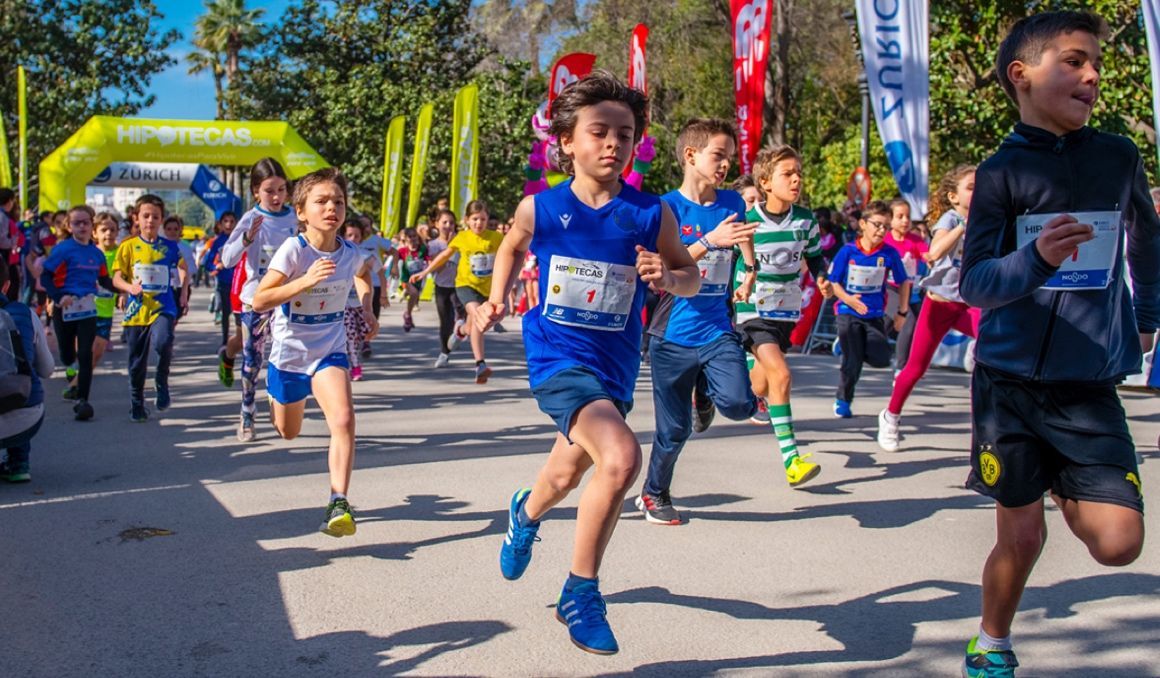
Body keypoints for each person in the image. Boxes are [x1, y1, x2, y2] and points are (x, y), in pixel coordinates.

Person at [955, 11, 1159, 677]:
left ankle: (1071, 481)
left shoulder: (1117, 156)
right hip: (1008, 385)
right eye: (1074, 60)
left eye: (1094, 62)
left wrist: (1149, 314)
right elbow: (978, 283)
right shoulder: (999, 172)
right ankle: (991, 645)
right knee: (1022, 533)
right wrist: (1036, 259)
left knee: (1119, 543)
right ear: (1022, 75)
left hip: (1086, 383)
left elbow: (1147, 240)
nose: (1093, 74)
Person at [478, 70, 700, 655]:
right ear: (567, 142)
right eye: (598, 131)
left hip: (616, 366)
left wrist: (668, 276)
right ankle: (581, 592)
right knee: (622, 456)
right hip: (557, 359)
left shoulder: (651, 214)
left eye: (624, 135)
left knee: (563, 475)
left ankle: (524, 516)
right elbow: (510, 245)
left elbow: (691, 274)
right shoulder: (542, 207)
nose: (612, 144)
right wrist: (496, 299)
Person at [637, 117, 805, 525]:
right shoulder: (665, 208)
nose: (725, 164)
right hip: (671, 334)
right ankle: (654, 493)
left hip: (716, 328)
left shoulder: (731, 203)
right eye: (718, 155)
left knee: (738, 403)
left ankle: (707, 395)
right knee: (674, 432)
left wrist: (749, 268)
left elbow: (743, 232)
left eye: (729, 157)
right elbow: (659, 269)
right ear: (691, 156)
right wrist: (709, 242)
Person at [252, 167, 377, 537]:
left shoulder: (351, 251)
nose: (331, 208)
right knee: (288, 432)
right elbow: (261, 299)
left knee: (343, 419)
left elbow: (364, 274)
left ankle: (339, 500)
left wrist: (367, 307)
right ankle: (276, 399)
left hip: (329, 350)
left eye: (337, 201)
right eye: (321, 201)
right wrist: (305, 280)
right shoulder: (295, 249)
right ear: (302, 212)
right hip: (289, 354)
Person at [732, 145, 829, 483]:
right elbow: (733, 260)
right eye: (787, 173)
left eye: (798, 172)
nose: (796, 179)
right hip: (752, 309)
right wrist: (741, 286)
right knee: (782, 375)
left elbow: (815, 256)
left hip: (786, 312)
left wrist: (821, 278)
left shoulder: (806, 220)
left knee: (759, 384)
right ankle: (792, 461)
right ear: (765, 182)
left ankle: (727, 379)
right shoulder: (748, 222)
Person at [877, 165, 979, 451]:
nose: (978, 191)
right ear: (953, 196)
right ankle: (891, 416)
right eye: (971, 187)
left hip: (968, 305)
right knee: (915, 368)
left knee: (992, 339)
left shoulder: (986, 219)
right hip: (939, 305)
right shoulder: (951, 218)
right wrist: (963, 226)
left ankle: (984, 425)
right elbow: (933, 253)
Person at [220, 158, 297, 442]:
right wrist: (246, 241)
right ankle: (246, 412)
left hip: (287, 299)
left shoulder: (294, 218)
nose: (276, 197)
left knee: (284, 354)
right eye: (269, 191)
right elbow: (227, 260)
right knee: (253, 360)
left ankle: (277, 402)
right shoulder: (250, 219)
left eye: (281, 189)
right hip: (256, 301)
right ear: (256, 192)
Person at [827, 200, 911, 417]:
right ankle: (843, 400)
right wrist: (849, 299)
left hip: (874, 315)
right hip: (848, 312)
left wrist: (902, 312)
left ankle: (846, 345)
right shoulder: (848, 251)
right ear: (863, 224)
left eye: (885, 226)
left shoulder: (889, 254)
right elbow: (833, 282)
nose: (881, 230)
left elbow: (904, 282)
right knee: (852, 361)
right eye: (877, 225)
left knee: (882, 357)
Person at [112, 194, 188, 422]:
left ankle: (161, 381)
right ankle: (137, 403)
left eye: (155, 216)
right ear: (136, 218)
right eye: (145, 216)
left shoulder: (170, 247)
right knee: (137, 362)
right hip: (137, 311)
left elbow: (183, 269)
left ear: (161, 219)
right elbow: (116, 278)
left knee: (163, 341)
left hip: (163, 307)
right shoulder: (128, 247)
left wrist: (183, 291)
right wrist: (129, 288)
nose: (150, 221)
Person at [40, 205, 116, 421]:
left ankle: (83, 400)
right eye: (76, 223)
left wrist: (126, 289)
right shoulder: (63, 249)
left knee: (85, 354)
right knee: (66, 354)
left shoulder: (96, 253)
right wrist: (57, 297)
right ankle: (69, 365)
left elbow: (104, 280)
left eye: (85, 222)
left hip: (87, 309)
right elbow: (46, 277)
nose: (81, 226)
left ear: (92, 225)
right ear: (69, 226)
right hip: (63, 308)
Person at [415, 200, 503, 383]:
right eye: (475, 219)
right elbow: (444, 255)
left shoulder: (495, 238)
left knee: (472, 327)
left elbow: (510, 254)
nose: (479, 223)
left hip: (486, 288)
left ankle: (461, 331)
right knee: (479, 317)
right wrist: (425, 272)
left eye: (483, 219)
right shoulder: (462, 237)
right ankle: (480, 364)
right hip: (465, 286)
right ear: (467, 220)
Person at [0, 263, 55, 483]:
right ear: (6, 286)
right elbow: (47, 369)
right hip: (26, 419)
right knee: (18, 385)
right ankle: (19, 463)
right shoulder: (24, 314)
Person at [882, 198, 927, 374]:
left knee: (910, 323)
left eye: (907, 216)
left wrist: (932, 258)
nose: (905, 221)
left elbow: (928, 256)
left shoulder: (915, 240)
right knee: (888, 322)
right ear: (890, 219)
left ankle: (901, 368)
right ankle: (860, 342)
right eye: (900, 216)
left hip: (909, 289)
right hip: (888, 287)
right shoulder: (885, 240)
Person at [201, 211, 241, 385]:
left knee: (240, 318)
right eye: (226, 221)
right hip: (224, 284)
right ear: (220, 223)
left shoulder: (242, 239)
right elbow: (207, 262)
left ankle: (239, 343)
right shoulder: (216, 242)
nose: (229, 224)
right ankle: (225, 342)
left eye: (232, 221)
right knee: (225, 314)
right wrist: (215, 266)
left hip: (240, 285)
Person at [426, 209, 466, 368]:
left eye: (451, 222)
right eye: (444, 222)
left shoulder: (461, 241)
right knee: (445, 321)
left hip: (459, 285)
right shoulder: (433, 245)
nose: (448, 226)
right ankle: (444, 353)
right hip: (442, 286)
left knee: (462, 316)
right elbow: (436, 267)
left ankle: (459, 331)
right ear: (437, 224)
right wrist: (448, 249)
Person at [341, 221, 376, 382]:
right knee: (349, 335)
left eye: (356, 235)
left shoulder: (365, 255)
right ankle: (354, 366)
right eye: (349, 235)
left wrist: (372, 303)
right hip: (344, 305)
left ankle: (354, 361)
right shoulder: (339, 253)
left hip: (359, 304)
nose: (353, 238)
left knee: (359, 336)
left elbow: (377, 272)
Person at [91, 213, 120, 370]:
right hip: (85, 309)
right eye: (103, 230)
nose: (108, 233)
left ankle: (83, 374)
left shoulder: (121, 253)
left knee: (99, 351)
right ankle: (79, 376)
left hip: (106, 310)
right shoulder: (88, 253)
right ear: (94, 233)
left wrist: (123, 293)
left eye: (112, 230)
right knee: (84, 349)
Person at [396, 227, 429, 332]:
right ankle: (407, 314)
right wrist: (394, 268)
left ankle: (408, 314)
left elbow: (429, 260)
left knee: (415, 295)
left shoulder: (423, 249)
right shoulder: (403, 251)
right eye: (410, 236)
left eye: (414, 236)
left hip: (418, 279)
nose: (413, 238)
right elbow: (394, 258)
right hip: (406, 280)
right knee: (414, 294)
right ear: (405, 239)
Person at [161, 217, 193, 321]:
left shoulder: (185, 248)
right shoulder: (160, 247)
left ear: (180, 230)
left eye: (175, 229)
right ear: (164, 230)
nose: (172, 232)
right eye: (169, 229)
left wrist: (185, 290)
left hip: (180, 288)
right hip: (165, 288)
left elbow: (190, 270)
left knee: (174, 318)